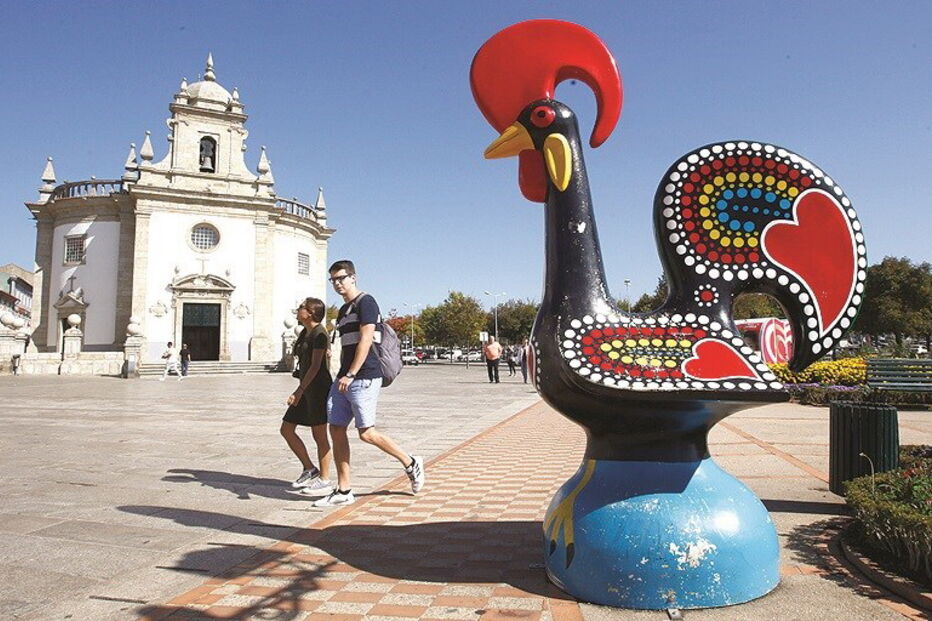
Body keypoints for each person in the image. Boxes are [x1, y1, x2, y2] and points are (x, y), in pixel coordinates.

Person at [313, 259, 425, 507]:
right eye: (333, 280)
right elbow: (347, 345)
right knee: (337, 427)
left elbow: (365, 340)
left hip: (364, 375)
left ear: (353, 277)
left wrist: (351, 373)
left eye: (341, 278)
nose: (337, 284)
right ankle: (344, 490)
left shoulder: (367, 302)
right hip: (344, 376)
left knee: (366, 433)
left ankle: (410, 462)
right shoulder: (343, 311)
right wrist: (341, 371)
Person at [282, 297, 334, 496]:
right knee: (286, 429)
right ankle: (309, 468)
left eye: (302, 307)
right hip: (305, 388)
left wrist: (299, 391)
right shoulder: (306, 332)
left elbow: (315, 366)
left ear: (311, 312)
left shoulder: (320, 334)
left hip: (317, 389)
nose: (298, 309)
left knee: (319, 436)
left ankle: (325, 479)